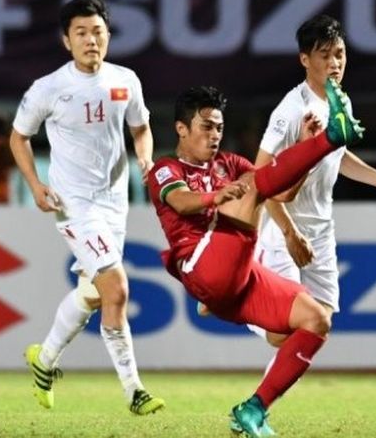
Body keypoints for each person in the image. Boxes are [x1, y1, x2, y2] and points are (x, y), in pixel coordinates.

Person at [147, 83, 362, 437]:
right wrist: (220, 195)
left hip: (237, 277)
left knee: (316, 320)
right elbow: (183, 203)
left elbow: (284, 192)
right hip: (201, 268)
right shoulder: (165, 169)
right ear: (181, 129)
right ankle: (333, 137)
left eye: (219, 127)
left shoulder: (229, 164)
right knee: (252, 183)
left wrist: (304, 150)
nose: (215, 135)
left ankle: (253, 409)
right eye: (205, 126)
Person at [9, 0, 164, 415]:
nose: (90, 40)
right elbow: (18, 137)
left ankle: (44, 361)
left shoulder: (126, 81)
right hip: (72, 203)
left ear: (108, 36)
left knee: (94, 294)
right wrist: (36, 185)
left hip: (114, 202)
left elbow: (142, 129)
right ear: (66, 41)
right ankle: (134, 391)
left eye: (97, 32)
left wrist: (146, 158)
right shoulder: (49, 88)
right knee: (117, 288)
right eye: (81, 33)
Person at [251, 15, 376, 351]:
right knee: (280, 332)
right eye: (325, 55)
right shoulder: (291, 110)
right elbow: (261, 178)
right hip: (284, 228)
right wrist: (288, 232)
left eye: (339, 53)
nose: (335, 62)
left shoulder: (339, 101)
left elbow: (337, 157)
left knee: (320, 323)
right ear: (305, 59)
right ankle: (244, 306)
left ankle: (261, 399)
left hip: (320, 229)